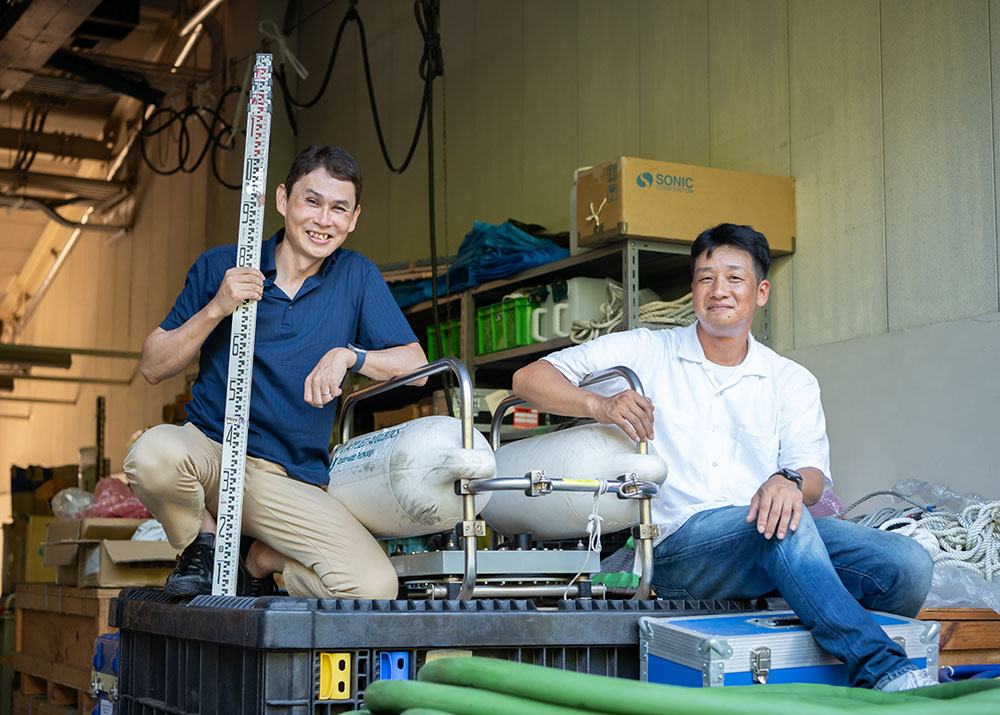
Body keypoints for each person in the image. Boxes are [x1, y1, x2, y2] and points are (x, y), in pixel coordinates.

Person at [511, 223, 936, 691]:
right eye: (705, 277)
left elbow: (812, 475)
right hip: (672, 551)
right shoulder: (645, 351)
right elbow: (528, 380)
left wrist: (786, 481)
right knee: (775, 526)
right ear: (693, 288)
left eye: (734, 278)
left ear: (761, 291)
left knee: (907, 563)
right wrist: (600, 405)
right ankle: (884, 669)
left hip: (765, 543)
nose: (719, 290)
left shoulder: (789, 380)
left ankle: (831, 662)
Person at [125, 145, 426, 600]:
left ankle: (260, 560)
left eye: (339, 208)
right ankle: (201, 544)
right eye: (312, 201)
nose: (324, 220)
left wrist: (352, 357)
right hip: (212, 453)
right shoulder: (223, 265)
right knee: (153, 454)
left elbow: (417, 369)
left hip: (286, 479)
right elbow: (152, 365)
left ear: (354, 218)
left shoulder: (356, 276)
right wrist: (216, 309)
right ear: (283, 200)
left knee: (373, 588)